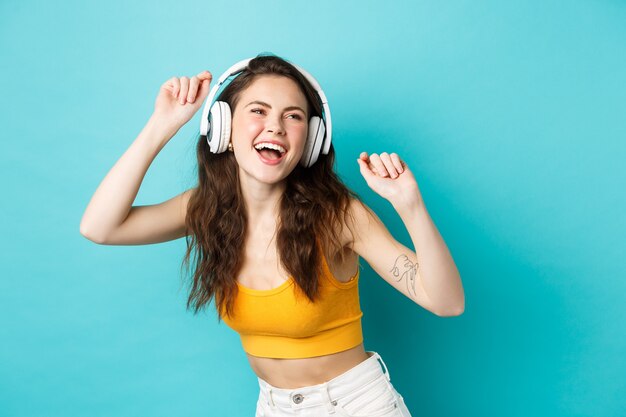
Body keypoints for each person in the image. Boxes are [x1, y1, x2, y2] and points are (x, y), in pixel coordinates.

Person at [80, 53, 464, 417]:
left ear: (310, 141)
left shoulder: (338, 216)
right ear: (223, 129)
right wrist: (162, 124)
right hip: (273, 406)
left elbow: (446, 302)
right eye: (258, 111)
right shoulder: (205, 209)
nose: (276, 126)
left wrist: (410, 206)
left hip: (354, 406)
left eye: (293, 116)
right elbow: (100, 227)